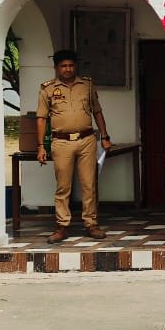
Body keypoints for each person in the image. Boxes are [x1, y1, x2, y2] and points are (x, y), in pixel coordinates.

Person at [35, 49, 113, 243]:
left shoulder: (87, 85)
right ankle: (62, 226)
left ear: (75, 66)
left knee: (89, 184)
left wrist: (105, 136)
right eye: (63, 66)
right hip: (61, 142)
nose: (68, 69)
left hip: (87, 140)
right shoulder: (47, 89)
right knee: (63, 186)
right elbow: (41, 118)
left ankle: (91, 224)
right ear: (56, 68)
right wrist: (41, 146)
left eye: (71, 65)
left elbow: (97, 111)